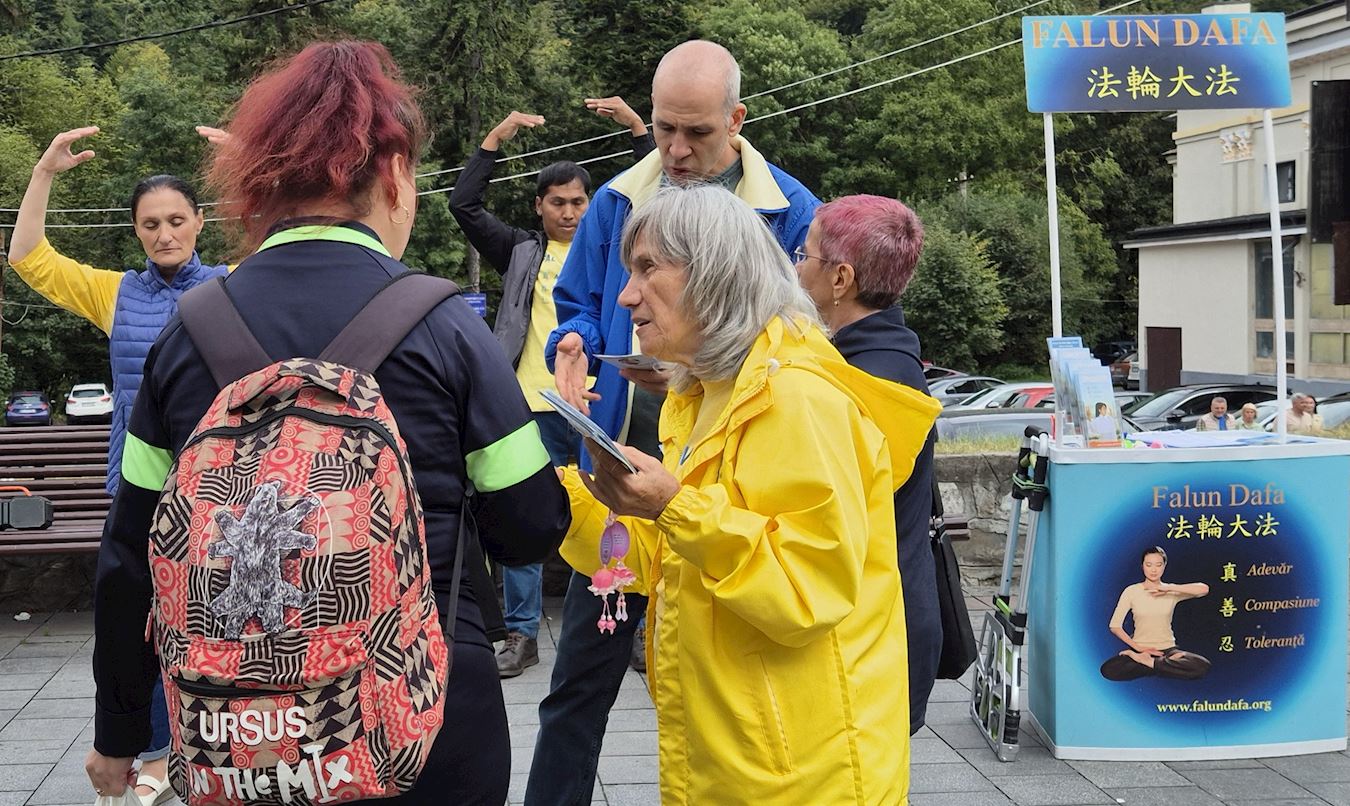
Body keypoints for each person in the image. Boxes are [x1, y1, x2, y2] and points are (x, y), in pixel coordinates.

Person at [84, 41, 570, 806]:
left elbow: (128, 554)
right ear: (395, 175)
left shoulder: (187, 336)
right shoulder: (447, 328)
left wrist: (119, 731)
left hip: (242, 734)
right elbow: (531, 527)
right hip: (428, 715)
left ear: (260, 187)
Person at [558, 184, 939, 801]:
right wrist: (566, 502)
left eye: (648, 268)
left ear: (714, 274)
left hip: (804, 773)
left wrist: (672, 506)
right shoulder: (706, 393)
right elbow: (671, 559)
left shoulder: (797, 399)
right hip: (732, 754)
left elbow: (806, 590)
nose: (625, 295)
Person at [527, 40, 820, 804]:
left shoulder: (790, 210)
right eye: (663, 129)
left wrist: (700, 365)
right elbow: (582, 305)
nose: (678, 150)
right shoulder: (616, 200)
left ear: (737, 120)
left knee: (726, 688)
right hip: (625, 480)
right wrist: (573, 345)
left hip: (727, 489)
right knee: (580, 678)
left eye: (697, 132)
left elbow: (808, 333)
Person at [8, 126, 231, 806]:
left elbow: (303, 248)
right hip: (139, 486)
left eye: (176, 221)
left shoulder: (234, 285)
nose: (164, 234)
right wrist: (44, 173)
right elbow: (29, 258)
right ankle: (158, 752)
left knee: (218, 622)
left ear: (199, 220)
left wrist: (248, 163)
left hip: (222, 484)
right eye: (150, 225)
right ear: (136, 231)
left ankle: (216, 744)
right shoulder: (117, 293)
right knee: (146, 625)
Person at [449, 100, 654, 679]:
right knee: (527, 515)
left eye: (578, 201)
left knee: (622, 509)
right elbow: (464, 205)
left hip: (602, 408)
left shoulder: (616, 251)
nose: (569, 211)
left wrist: (639, 131)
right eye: (557, 202)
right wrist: (494, 139)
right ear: (539, 206)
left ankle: (635, 626)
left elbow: (656, 193)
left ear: (592, 205)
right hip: (532, 408)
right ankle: (521, 633)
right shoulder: (521, 251)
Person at [793, 193, 941, 735]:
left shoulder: (870, 378)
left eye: (804, 255)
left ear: (841, 279)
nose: (796, 268)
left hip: (878, 632)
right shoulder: (877, 356)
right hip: (886, 621)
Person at [1100, 547, 1211, 682]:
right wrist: (1138, 649)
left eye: (1158, 565)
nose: (1154, 570)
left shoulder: (1170, 591)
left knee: (1202, 666)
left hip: (1168, 650)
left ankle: (1151, 663)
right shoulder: (1131, 591)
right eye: (1149, 565)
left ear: (1164, 566)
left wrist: (1168, 588)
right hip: (1140, 650)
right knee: (1109, 670)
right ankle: (1162, 665)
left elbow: (1204, 589)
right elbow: (1115, 626)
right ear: (1142, 566)